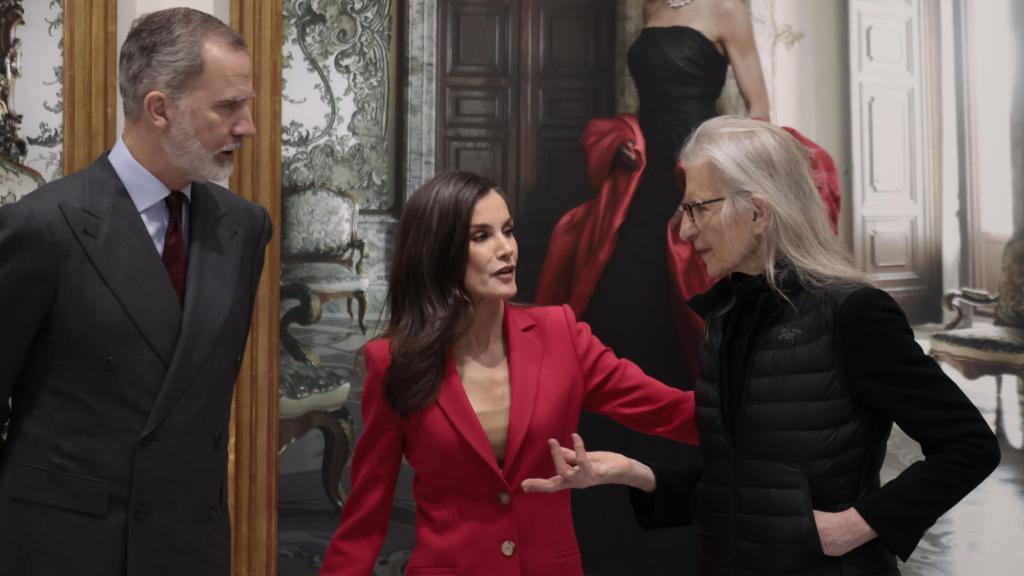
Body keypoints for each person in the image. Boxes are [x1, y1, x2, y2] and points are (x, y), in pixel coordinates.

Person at [524, 117, 1001, 575]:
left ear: (756, 211)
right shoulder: (724, 318)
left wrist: (854, 527)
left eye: (697, 209)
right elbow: (738, 487)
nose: (685, 232)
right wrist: (633, 472)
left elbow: (970, 447)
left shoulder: (854, 313)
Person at [319, 170, 699, 576]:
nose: (507, 250)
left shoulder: (561, 334)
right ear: (438, 251)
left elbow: (672, 412)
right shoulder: (393, 362)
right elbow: (365, 518)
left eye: (508, 231)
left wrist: (767, 409)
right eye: (481, 236)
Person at [0, 8, 270, 576]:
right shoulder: (44, 226)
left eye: (247, 105)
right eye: (228, 107)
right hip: (68, 548)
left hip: (191, 546)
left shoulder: (244, 227)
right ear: (159, 109)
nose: (248, 126)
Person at [534, 1, 772, 573]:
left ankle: (686, 492)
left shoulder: (726, 8)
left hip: (696, 172)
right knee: (617, 314)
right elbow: (648, 102)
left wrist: (721, 178)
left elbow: (758, 107)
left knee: (686, 326)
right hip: (640, 179)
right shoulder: (649, 6)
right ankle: (603, 493)